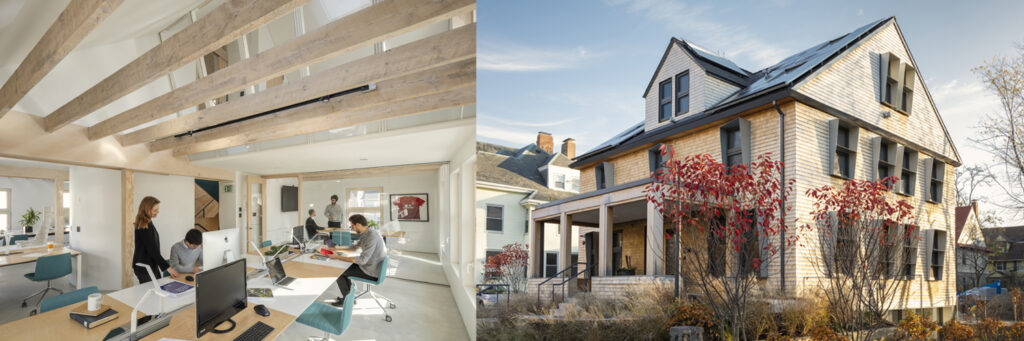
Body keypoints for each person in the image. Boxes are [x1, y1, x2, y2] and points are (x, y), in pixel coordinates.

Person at [326, 214, 387, 307]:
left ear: (358, 224)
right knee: (343, 266)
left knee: (339, 271)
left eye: (352, 226)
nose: (352, 228)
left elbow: (361, 260)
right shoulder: (367, 233)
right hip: (369, 266)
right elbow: (354, 248)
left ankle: (348, 301)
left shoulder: (371, 236)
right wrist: (337, 249)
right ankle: (349, 297)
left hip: (371, 271)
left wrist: (337, 257)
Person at [133, 196, 179, 283]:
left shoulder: (148, 223)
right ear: (147, 210)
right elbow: (152, 249)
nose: (158, 212)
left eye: (157, 209)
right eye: (155, 210)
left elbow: (153, 247)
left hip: (150, 264)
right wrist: (168, 268)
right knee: (153, 292)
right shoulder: (143, 226)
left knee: (157, 289)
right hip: (144, 266)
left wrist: (157, 264)